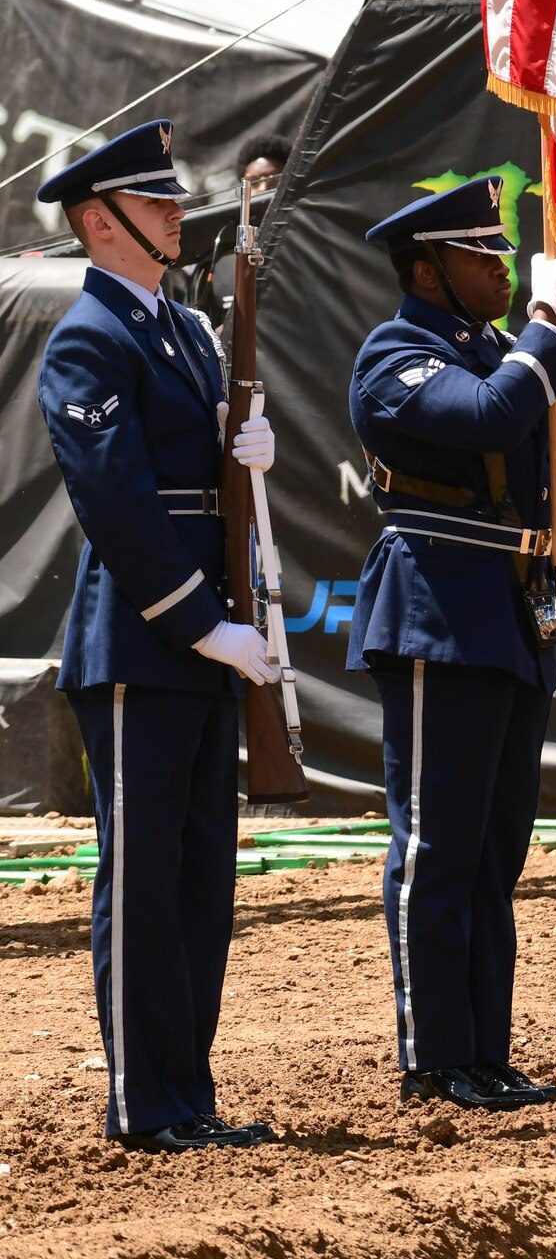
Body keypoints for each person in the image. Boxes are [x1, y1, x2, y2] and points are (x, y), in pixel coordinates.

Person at [34, 120, 280, 1151]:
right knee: (141, 881)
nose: (179, 212)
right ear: (100, 219)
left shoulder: (180, 327)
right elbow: (119, 503)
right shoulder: (89, 337)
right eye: (157, 200)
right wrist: (203, 625)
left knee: (198, 877)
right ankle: (146, 1099)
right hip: (142, 643)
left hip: (204, 633)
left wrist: (251, 453)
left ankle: (190, 1087)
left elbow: (204, 480)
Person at [348, 179, 556, 1114]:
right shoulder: (392, 354)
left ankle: (486, 1049)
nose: (498, 264)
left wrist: (534, 329)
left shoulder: (495, 350)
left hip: (507, 610)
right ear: (425, 270)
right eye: (477, 252)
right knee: (437, 845)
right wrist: (541, 319)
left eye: (501, 249)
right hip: (435, 610)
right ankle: (436, 1054)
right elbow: (487, 417)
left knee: (496, 850)